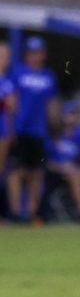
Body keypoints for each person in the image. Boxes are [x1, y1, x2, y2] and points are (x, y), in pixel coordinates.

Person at [7, 37, 58, 224]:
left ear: (43, 54)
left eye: (38, 53)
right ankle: (15, 211)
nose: (35, 57)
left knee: (36, 172)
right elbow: (12, 101)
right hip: (20, 129)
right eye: (31, 53)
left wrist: (55, 126)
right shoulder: (18, 73)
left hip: (39, 131)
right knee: (17, 171)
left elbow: (51, 104)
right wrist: (11, 127)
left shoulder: (48, 76)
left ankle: (31, 211)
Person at [0, 42, 15, 192]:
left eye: (6, 56)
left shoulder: (7, 81)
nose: (3, 59)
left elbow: (11, 109)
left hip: (3, 130)